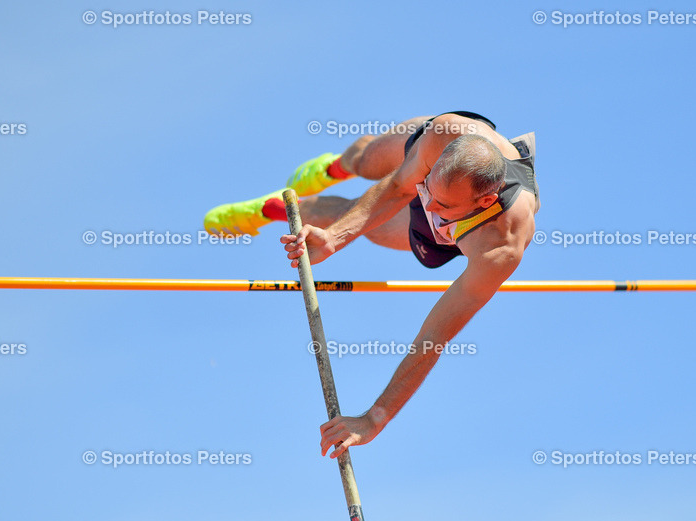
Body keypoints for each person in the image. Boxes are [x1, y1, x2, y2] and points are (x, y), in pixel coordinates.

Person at [204, 111, 539, 458]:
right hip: (431, 164)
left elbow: (435, 336)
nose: (426, 204)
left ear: (485, 201)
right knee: (365, 161)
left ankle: (271, 209)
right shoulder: (445, 134)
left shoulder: (499, 247)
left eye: (442, 204)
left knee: (367, 224)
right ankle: (333, 168)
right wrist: (335, 238)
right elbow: (397, 189)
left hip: (458, 229)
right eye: (428, 188)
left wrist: (374, 418)